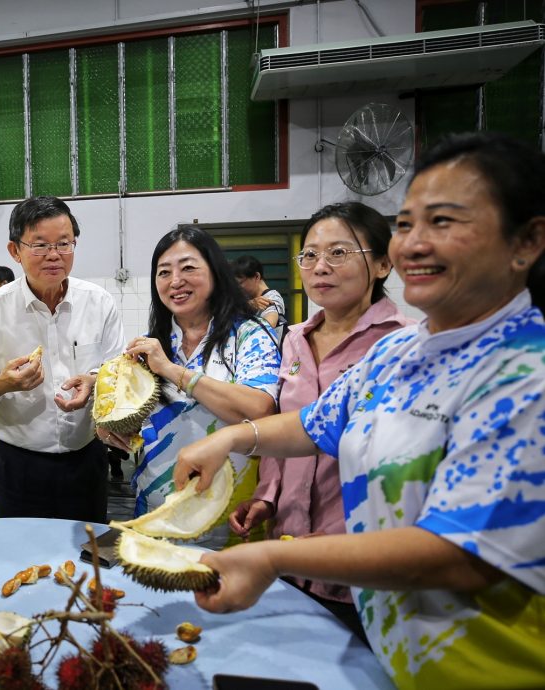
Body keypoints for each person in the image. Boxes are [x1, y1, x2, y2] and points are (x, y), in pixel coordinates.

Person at [175, 132, 545, 690]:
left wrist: (275, 558)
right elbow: (313, 423)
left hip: (486, 666)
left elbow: (457, 552)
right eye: (406, 224)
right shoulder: (399, 353)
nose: (414, 245)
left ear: (527, 241)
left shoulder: (525, 373)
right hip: (391, 650)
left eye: (443, 222)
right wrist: (231, 439)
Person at [230, 202, 409, 637]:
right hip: (289, 544)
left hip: (357, 555)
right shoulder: (294, 339)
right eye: (309, 254)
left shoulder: (402, 344)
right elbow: (285, 424)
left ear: (383, 264)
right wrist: (268, 496)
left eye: (339, 253)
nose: (320, 266)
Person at [100, 226, 280, 548]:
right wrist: (111, 428)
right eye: (164, 272)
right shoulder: (156, 343)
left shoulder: (249, 335)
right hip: (155, 513)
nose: (175, 281)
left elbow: (260, 410)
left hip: (229, 518)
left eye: (188, 268)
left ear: (215, 272)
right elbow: (130, 412)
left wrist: (173, 371)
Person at [0, 195, 124, 522]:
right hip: (17, 463)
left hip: (85, 458)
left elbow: (118, 369)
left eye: (64, 244)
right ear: (14, 251)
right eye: (39, 245)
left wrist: (94, 380)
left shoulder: (99, 302)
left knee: (87, 554)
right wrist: (0, 384)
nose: (53, 255)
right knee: (21, 557)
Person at [233, 254, 286, 342]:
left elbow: (269, 325)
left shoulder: (272, 298)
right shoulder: (248, 300)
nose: (238, 287)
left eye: (240, 283)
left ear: (257, 276)